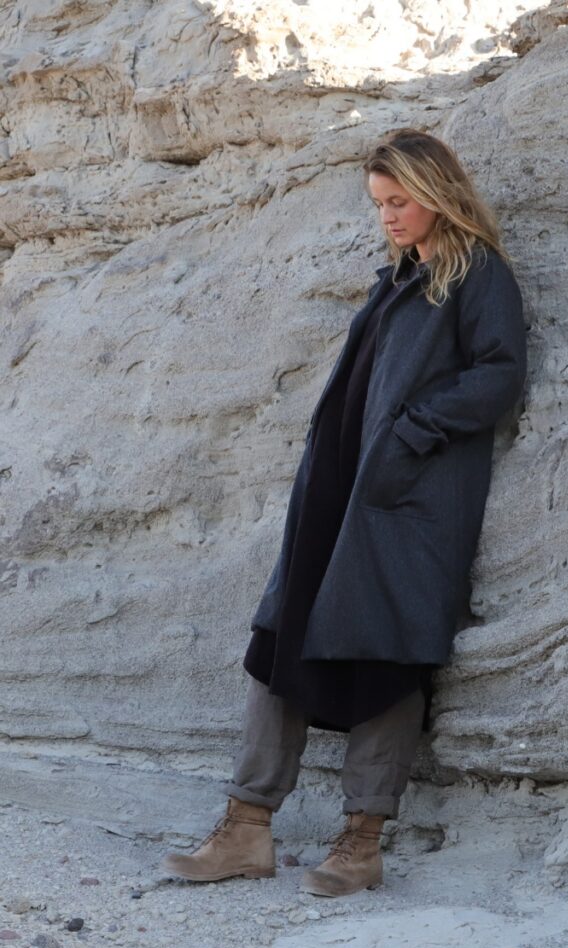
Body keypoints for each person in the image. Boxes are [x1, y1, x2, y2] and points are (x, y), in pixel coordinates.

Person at [161, 128, 527, 897]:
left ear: (438, 191)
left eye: (399, 202)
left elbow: (498, 376)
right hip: (340, 491)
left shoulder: (477, 275)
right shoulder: (398, 275)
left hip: (407, 503)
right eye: (379, 204)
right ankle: (245, 829)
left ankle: (360, 844)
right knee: (280, 641)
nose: (388, 217)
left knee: (387, 654)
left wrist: (409, 434)